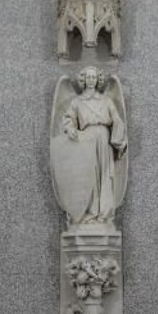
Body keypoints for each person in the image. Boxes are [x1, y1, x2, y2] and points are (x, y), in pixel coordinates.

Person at [61, 65, 127, 225]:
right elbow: (68, 118)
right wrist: (70, 129)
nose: (91, 80)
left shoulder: (106, 100)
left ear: (98, 80)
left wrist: (118, 139)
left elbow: (117, 119)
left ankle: (104, 213)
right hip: (86, 138)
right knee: (88, 175)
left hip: (103, 137)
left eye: (94, 77)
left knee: (104, 174)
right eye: (88, 77)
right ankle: (89, 212)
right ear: (83, 80)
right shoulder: (77, 102)